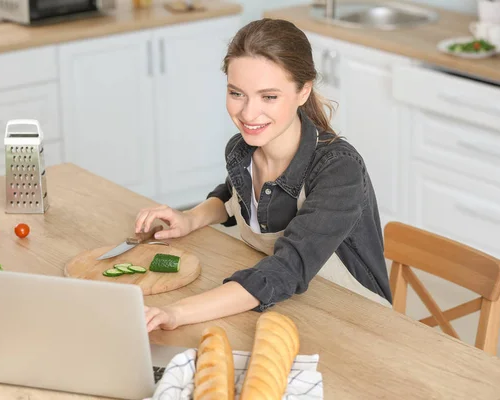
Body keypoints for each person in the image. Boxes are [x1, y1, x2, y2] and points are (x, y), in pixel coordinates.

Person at [136, 18, 392, 333]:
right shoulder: (242, 149)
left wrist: (176, 313)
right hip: (288, 311)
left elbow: (286, 269)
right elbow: (234, 194)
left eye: (268, 97)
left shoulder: (338, 169)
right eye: (237, 93)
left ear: (303, 91)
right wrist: (189, 218)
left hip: (357, 323)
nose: (248, 113)